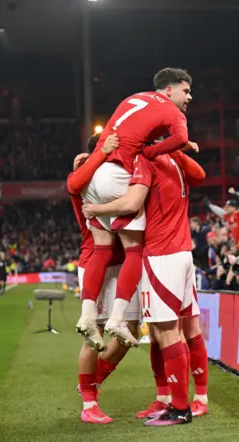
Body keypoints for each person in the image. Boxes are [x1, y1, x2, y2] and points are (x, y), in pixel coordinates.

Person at [82, 149, 209, 426]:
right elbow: (200, 174)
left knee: (166, 332)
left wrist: (96, 209)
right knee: (173, 330)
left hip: (162, 253)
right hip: (183, 250)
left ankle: (180, 407)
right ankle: (178, 400)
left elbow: (132, 202)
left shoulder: (146, 158)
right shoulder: (174, 158)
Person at [76, 67, 199, 351]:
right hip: (119, 174)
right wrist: (151, 151)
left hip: (95, 173)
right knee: (134, 249)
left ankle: (87, 316)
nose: (189, 97)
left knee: (103, 248)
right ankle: (118, 318)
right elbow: (178, 139)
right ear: (169, 90)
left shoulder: (132, 99)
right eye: (186, 91)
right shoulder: (173, 113)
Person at [69, 135, 140, 424]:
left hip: (123, 265)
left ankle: (92, 382)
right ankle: (88, 404)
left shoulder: (121, 177)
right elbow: (74, 184)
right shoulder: (86, 178)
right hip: (95, 261)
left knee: (129, 332)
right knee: (93, 335)